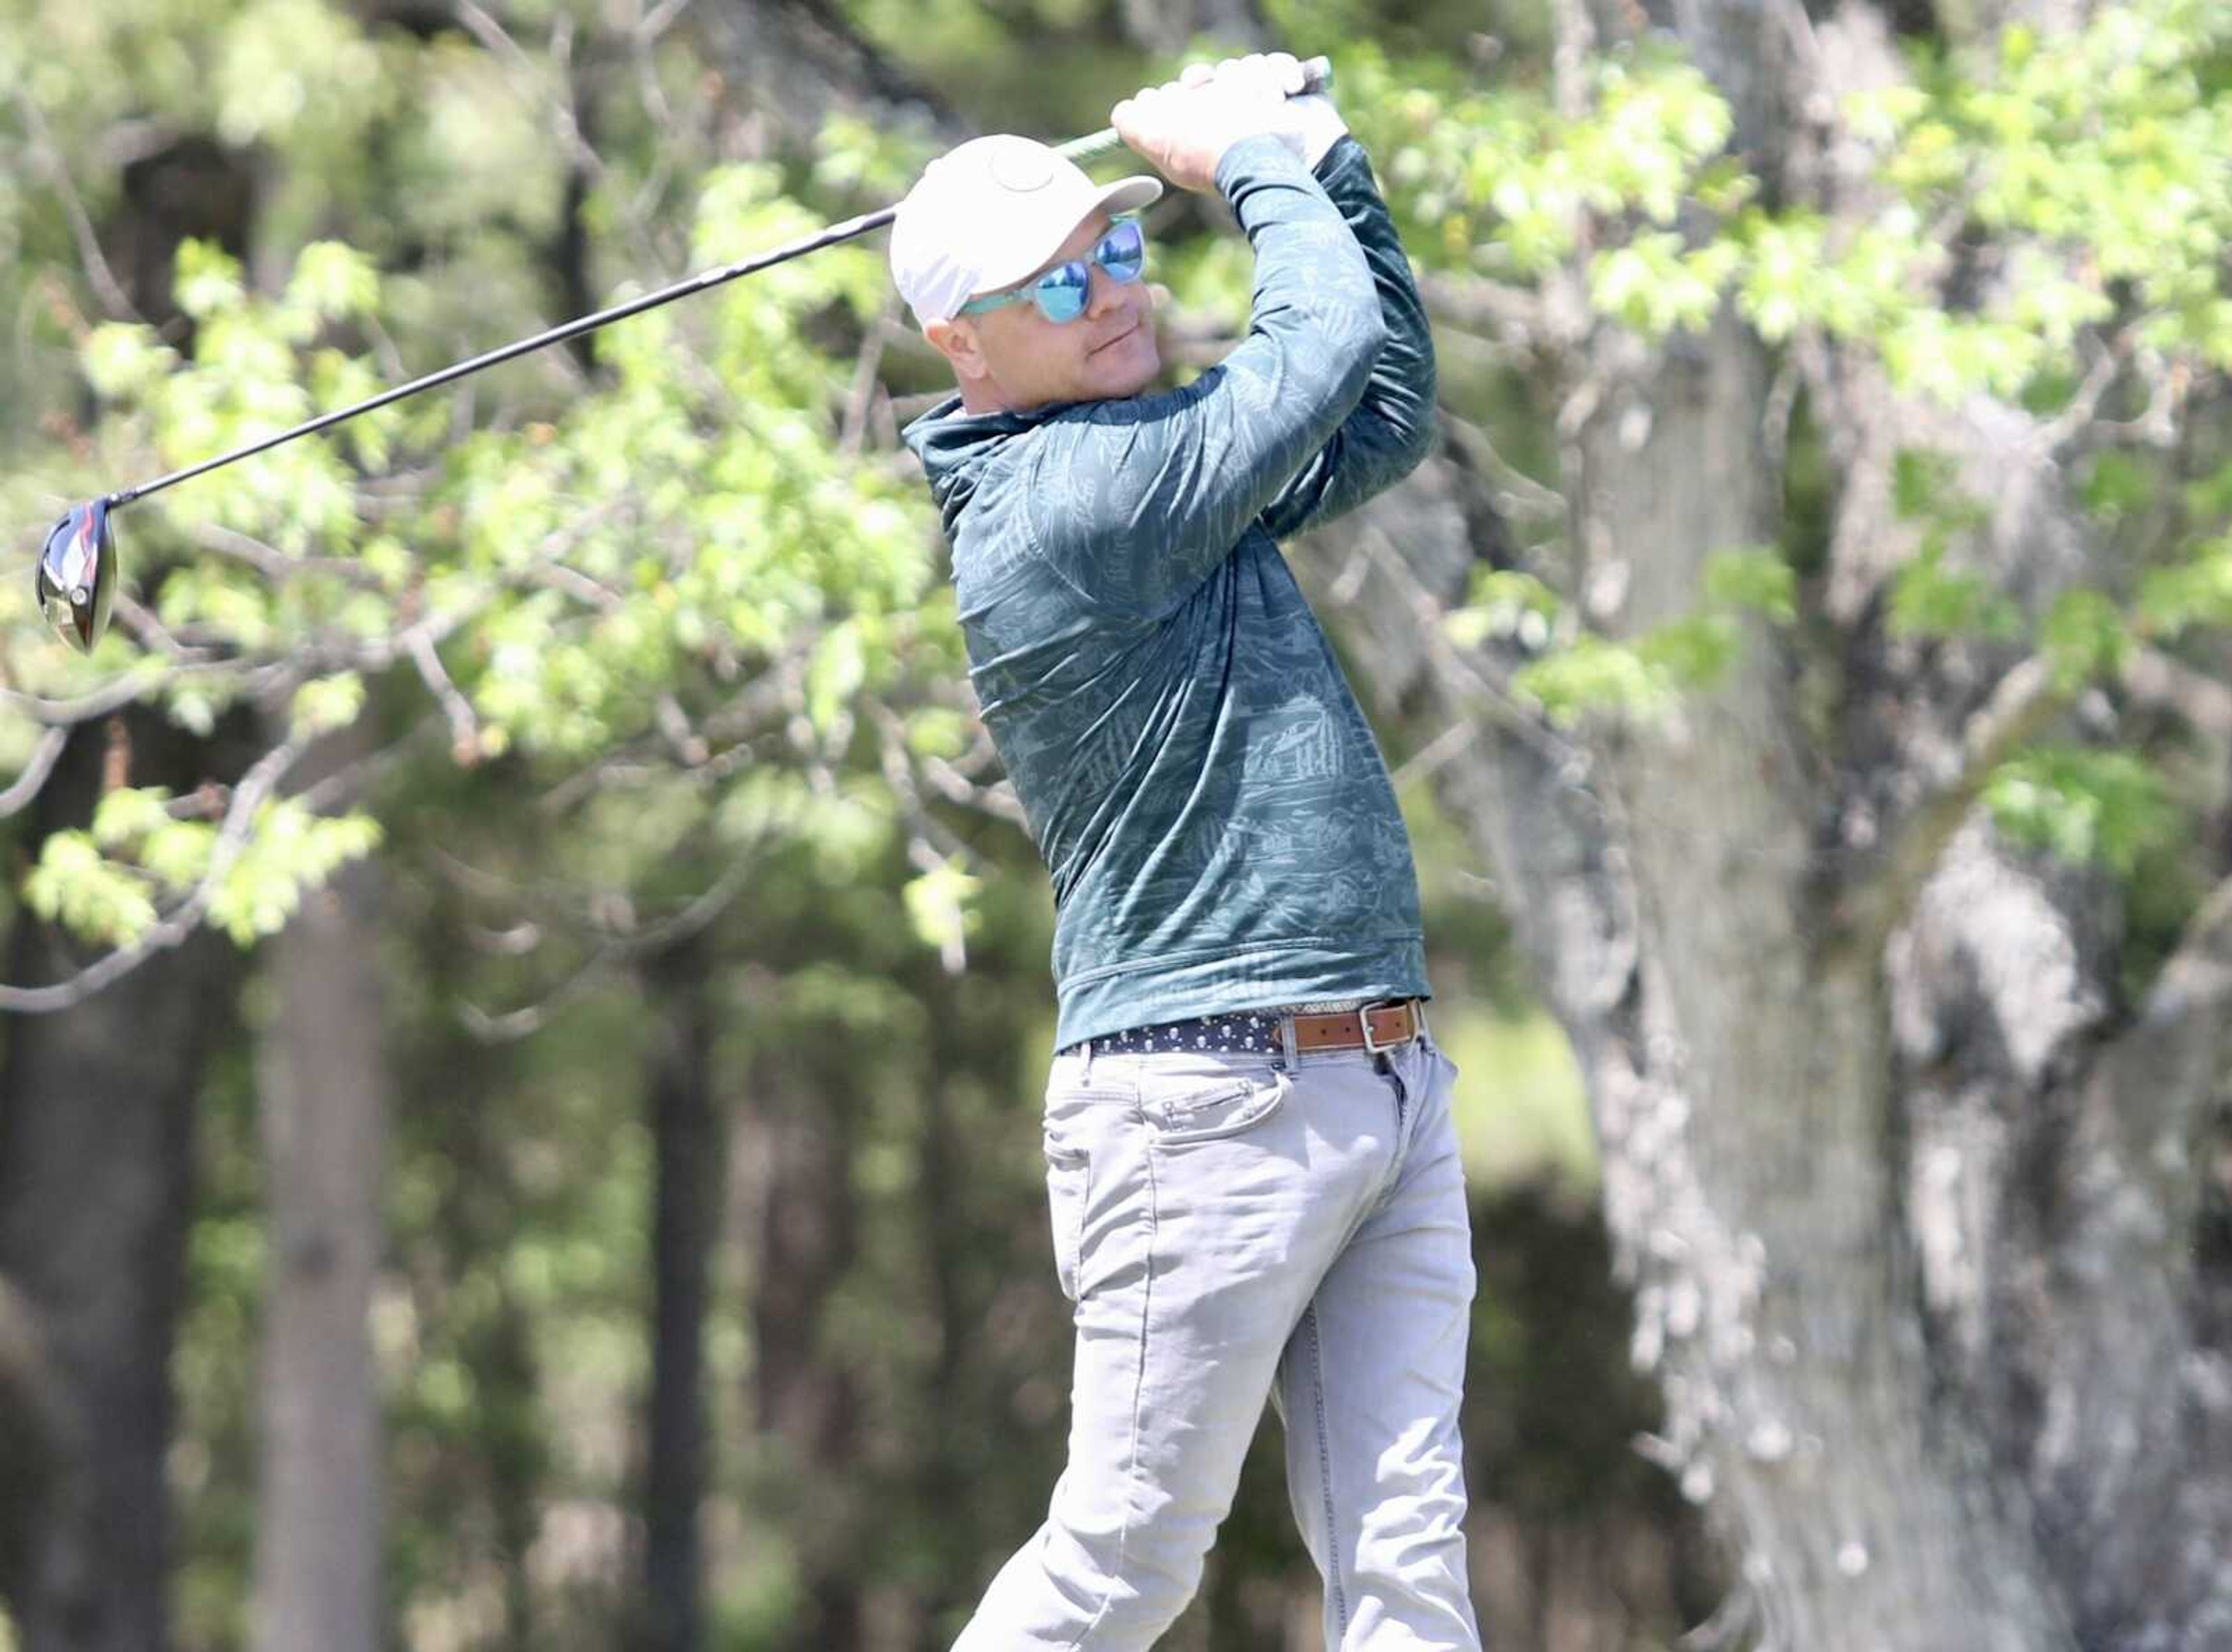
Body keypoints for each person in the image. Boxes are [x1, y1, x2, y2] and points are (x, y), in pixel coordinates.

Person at [889, 51, 1480, 1650]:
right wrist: (1252, 162)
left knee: (1411, 1577)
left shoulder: (1152, 467)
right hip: (1203, 1102)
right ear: (965, 347)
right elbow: (1319, 345)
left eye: (1122, 247)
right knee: (1127, 1561)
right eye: (1057, 279)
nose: (1109, 292)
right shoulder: (1069, 501)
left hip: (1379, 1078)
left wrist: (1325, 158)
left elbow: (1386, 400)